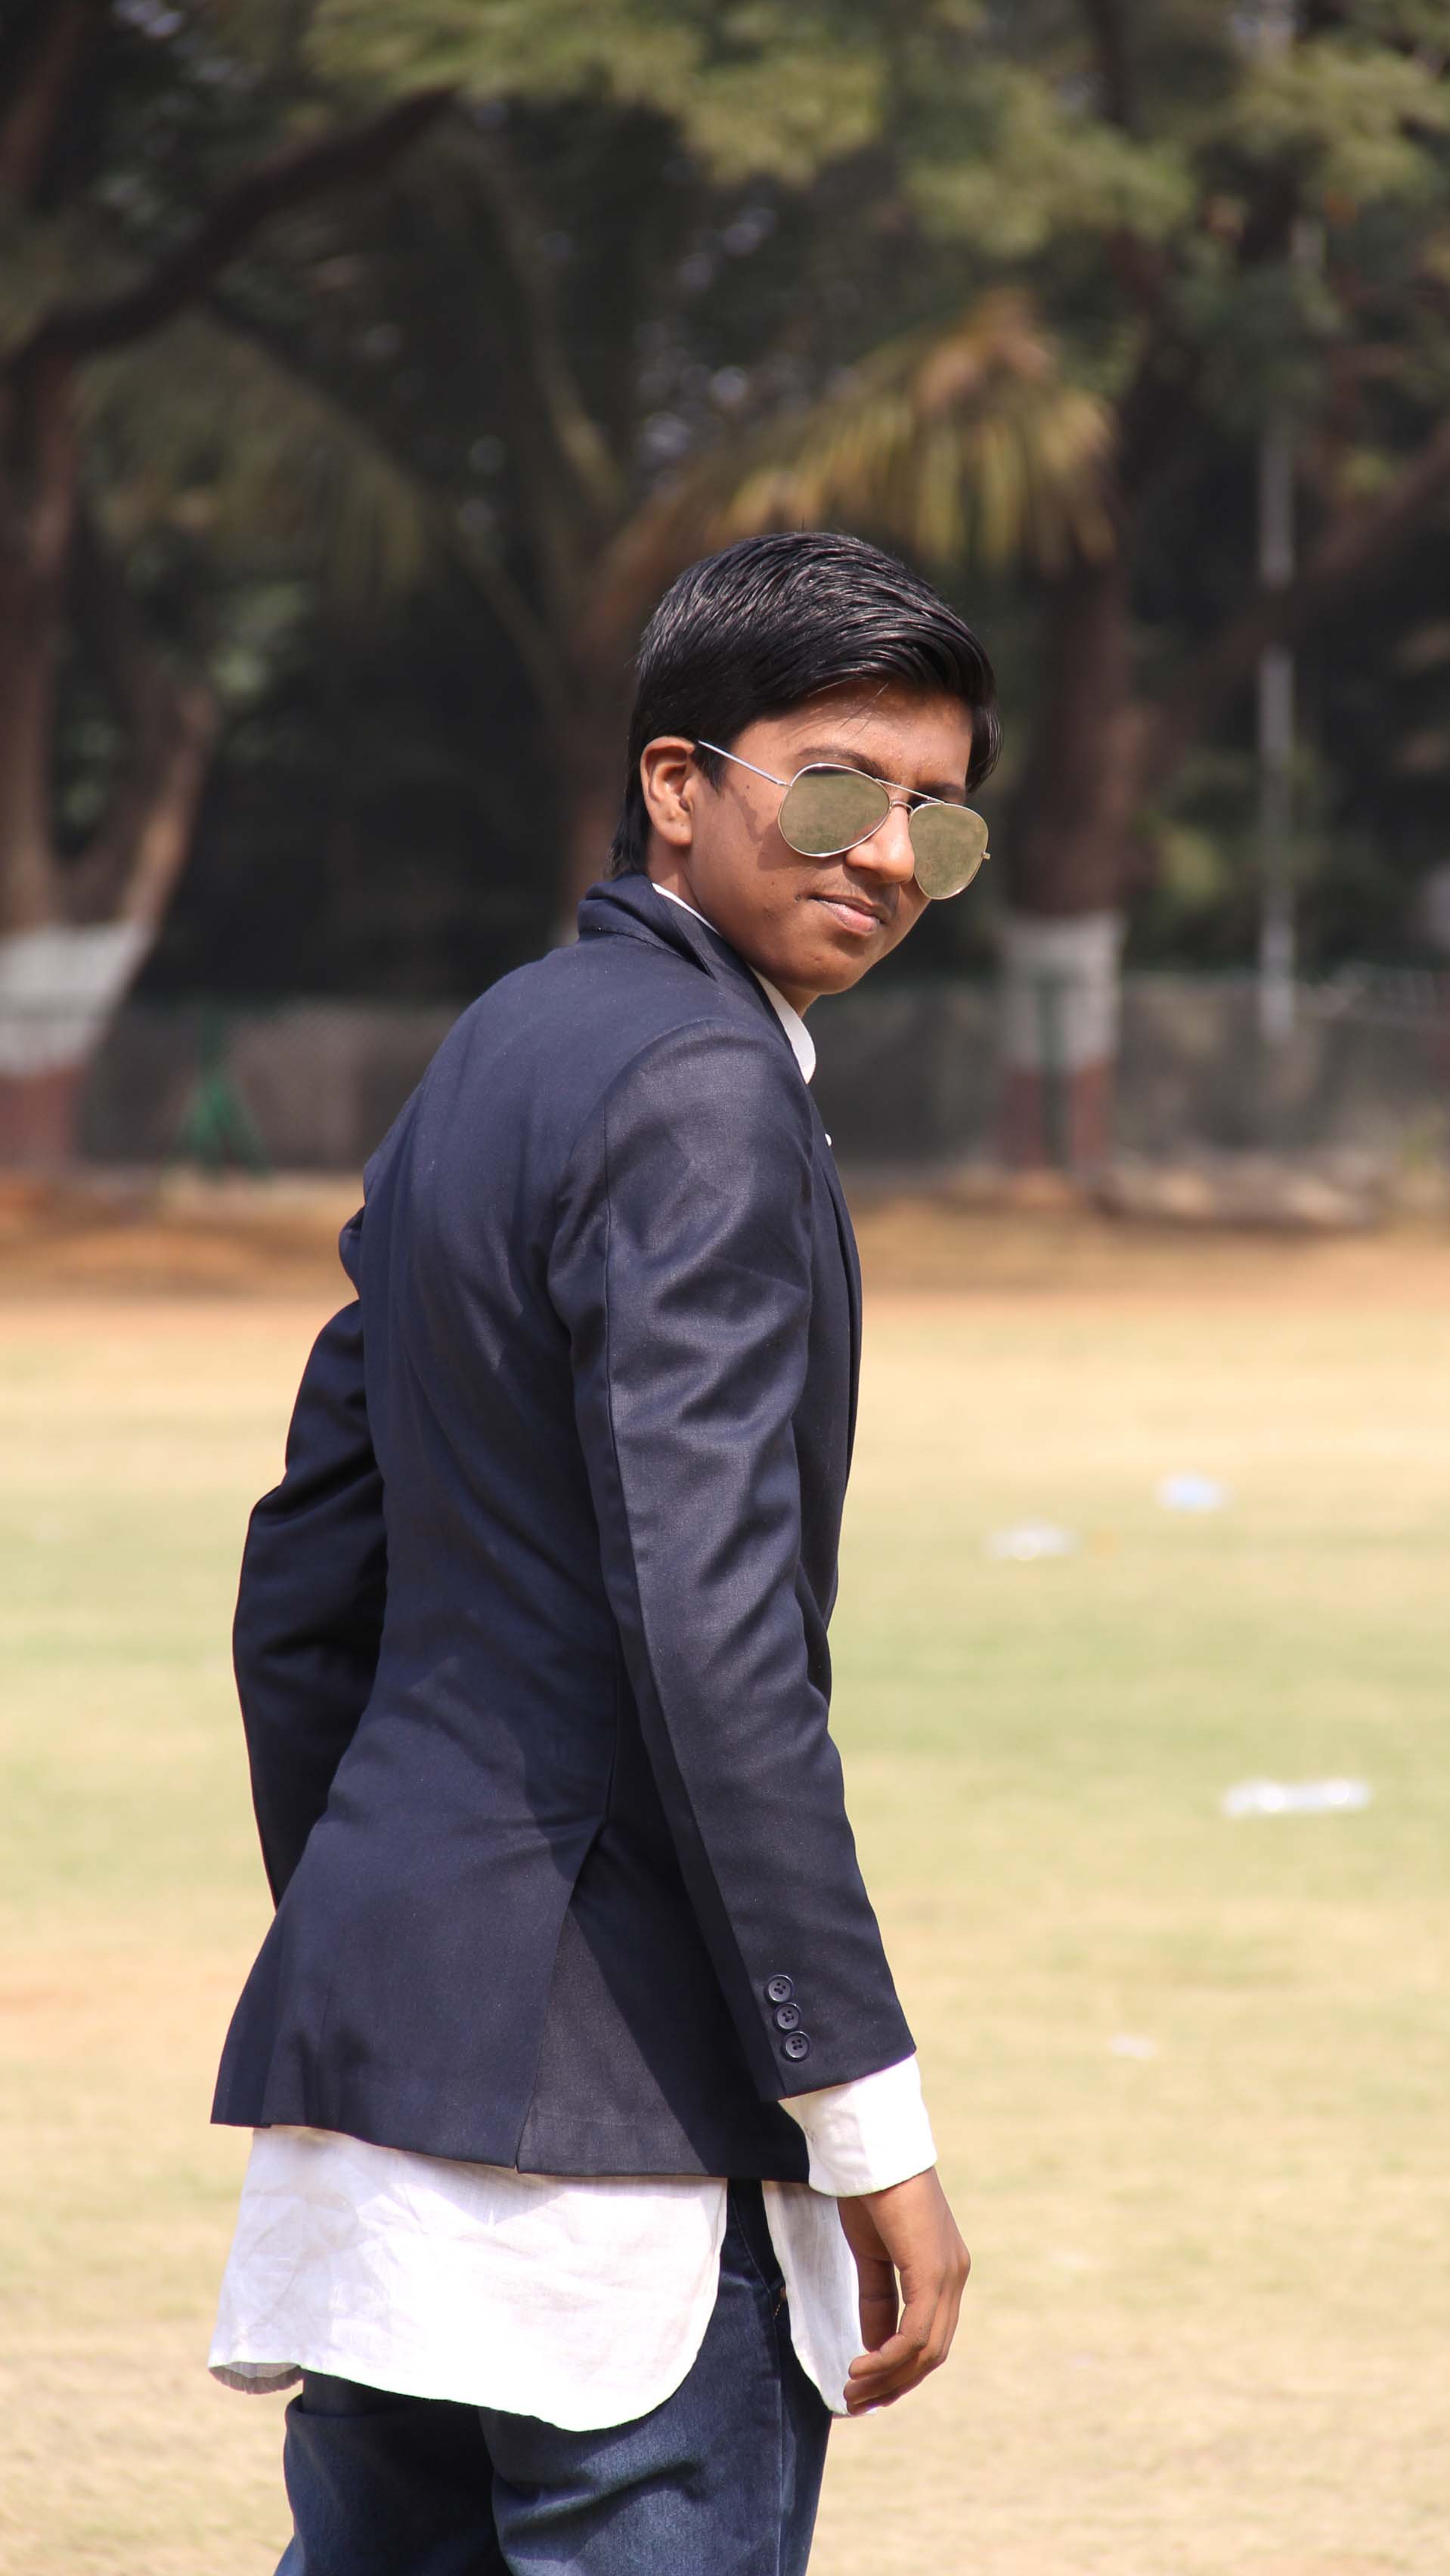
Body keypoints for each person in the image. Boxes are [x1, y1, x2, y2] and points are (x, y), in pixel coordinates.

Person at [206, 530, 1000, 2575]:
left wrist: (406, 1934)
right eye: (837, 789)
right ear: (676, 782)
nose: (887, 855)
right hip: (622, 2150)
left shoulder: (500, 1045)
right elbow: (714, 1645)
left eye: (937, 818)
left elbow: (309, 1575)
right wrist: (869, 2122)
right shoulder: (710, 1089)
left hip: (389, 2099)